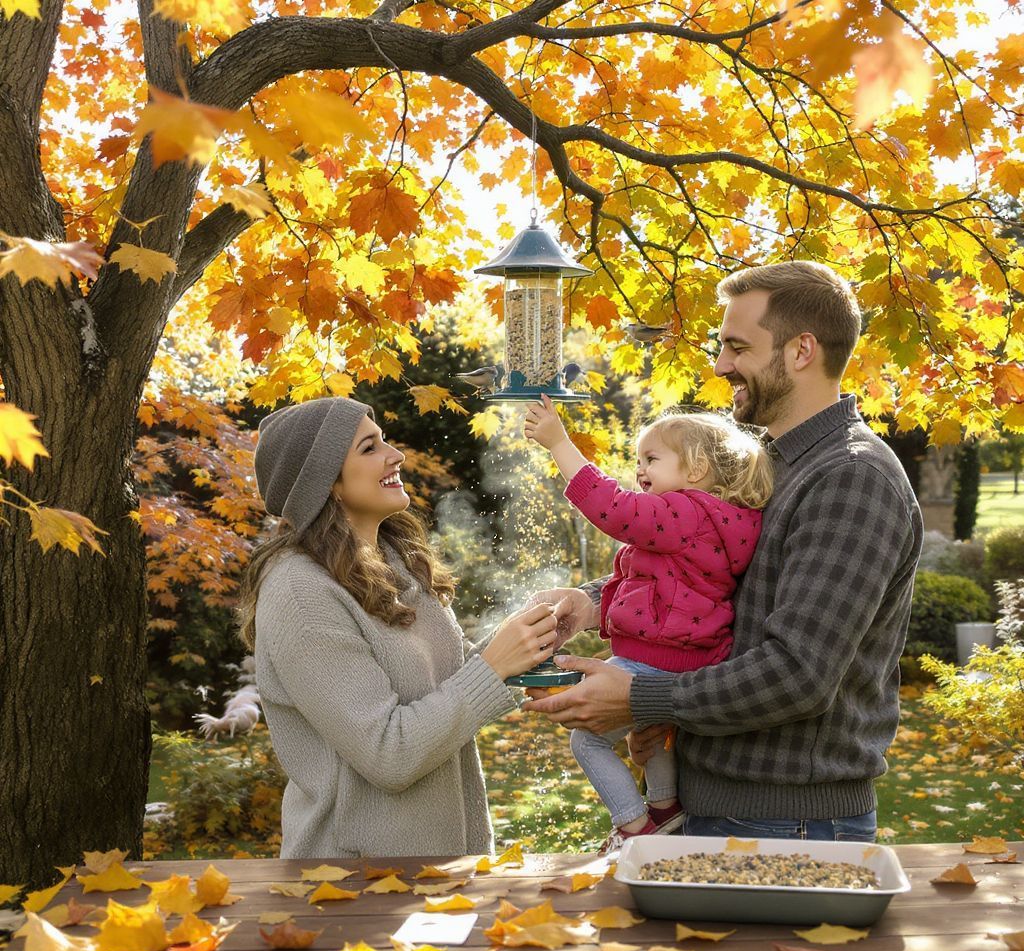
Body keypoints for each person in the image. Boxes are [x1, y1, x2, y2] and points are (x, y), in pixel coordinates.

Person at [527, 261, 924, 843]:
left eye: (738, 348)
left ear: (801, 351)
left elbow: (798, 674)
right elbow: (706, 572)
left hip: (789, 820)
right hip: (717, 801)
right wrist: (595, 603)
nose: (720, 366)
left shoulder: (851, 478)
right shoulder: (766, 465)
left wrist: (638, 696)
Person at [238, 396, 558, 858]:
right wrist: (493, 667)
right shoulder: (299, 592)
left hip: (442, 866)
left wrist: (535, 639)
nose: (396, 455)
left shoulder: (393, 561)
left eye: (383, 440)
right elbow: (388, 753)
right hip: (355, 882)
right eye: (369, 448)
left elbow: (449, 681)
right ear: (326, 484)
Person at [523, 398, 772, 850]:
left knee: (588, 742)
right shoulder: (715, 522)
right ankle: (664, 808)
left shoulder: (684, 511)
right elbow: (650, 583)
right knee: (652, 738)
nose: (639, 470)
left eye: (652, 459)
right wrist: (588, 605)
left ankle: (634, 827)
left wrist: (560, 444)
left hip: (655, 664)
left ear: (696, 469)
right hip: (686, 660)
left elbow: (615, 510)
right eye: (638, 460)